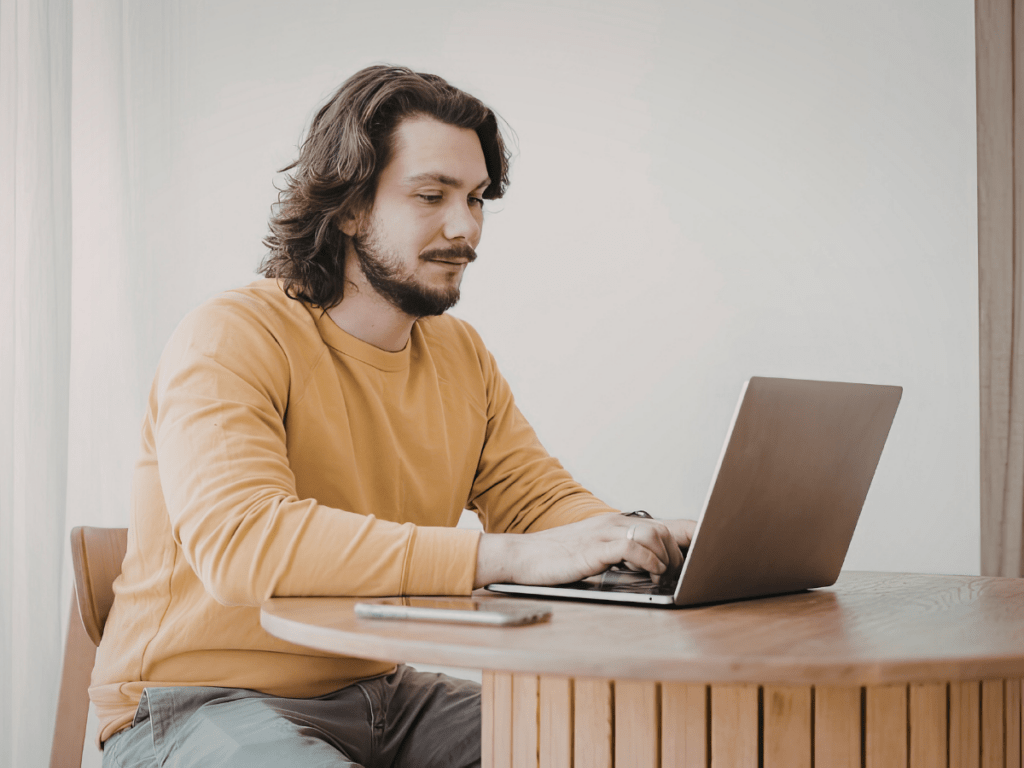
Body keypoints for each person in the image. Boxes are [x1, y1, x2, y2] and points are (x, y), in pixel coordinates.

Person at [91, 64, 695, 768]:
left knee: (642, 745)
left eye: (475, 198)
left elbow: (535, 501)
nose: (464, 226)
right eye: (431, 195)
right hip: (196, 699)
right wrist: (505, 556)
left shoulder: (458, 354)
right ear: (349, 205)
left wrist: (633, 540)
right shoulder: (231, 335)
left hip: (384, 693)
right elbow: (241, 543)